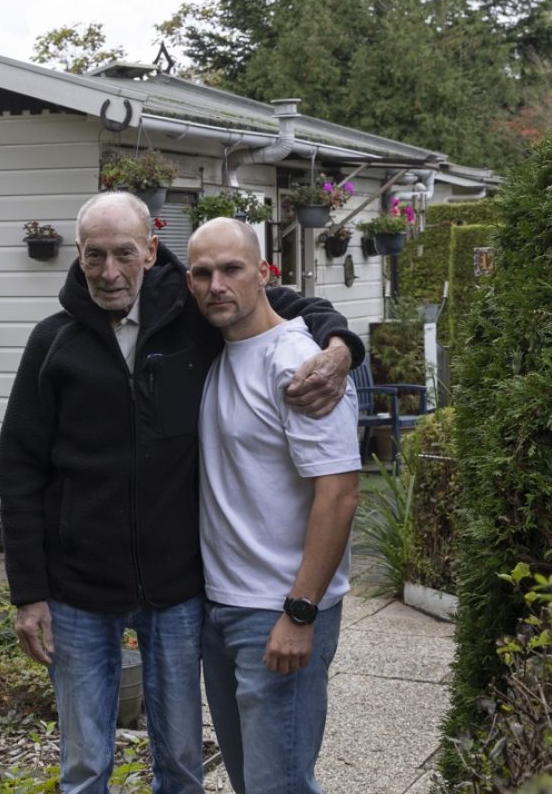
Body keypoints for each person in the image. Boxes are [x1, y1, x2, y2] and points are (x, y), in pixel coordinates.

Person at [0, 192, 364, 793]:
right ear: (79, 256)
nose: (109, 271)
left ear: (149, 252)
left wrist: (342, 347)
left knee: (186, 767)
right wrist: (29, 591)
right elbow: (18, 469)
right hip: (81, 588)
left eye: (123, 253)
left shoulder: (195, 320)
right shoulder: (53, 343)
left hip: (177, 592)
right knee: (85, 767)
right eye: (95, 255)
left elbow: (291, 307)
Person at [186, 218, 363, 794]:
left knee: (277, 785)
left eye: (232, 269)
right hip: (223, 609)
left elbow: (339, 493)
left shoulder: (298, 364)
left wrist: (300, 612)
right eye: (203, 273)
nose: (217, 284)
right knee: (253, 783)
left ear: (264, 274)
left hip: (279, 614)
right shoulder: (219, 348)